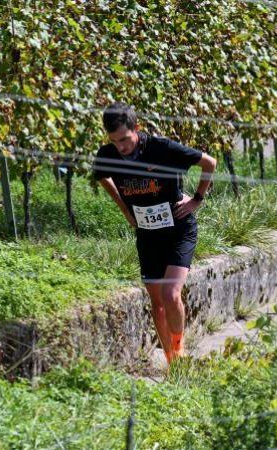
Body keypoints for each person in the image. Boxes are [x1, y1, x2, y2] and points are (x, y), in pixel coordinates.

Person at [92, 102, 216, 363]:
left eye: (125, 139)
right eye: (115, 142)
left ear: (136, 128)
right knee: (157, 303)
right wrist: (126, 210)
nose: (121, 147)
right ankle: (172, 361)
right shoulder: (107, 154)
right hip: (148, 236)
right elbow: (103, 176)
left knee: (171, 294)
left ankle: (179, 349)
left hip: (178, 230)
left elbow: (209, 163)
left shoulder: (161, 148)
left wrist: (197, 200)